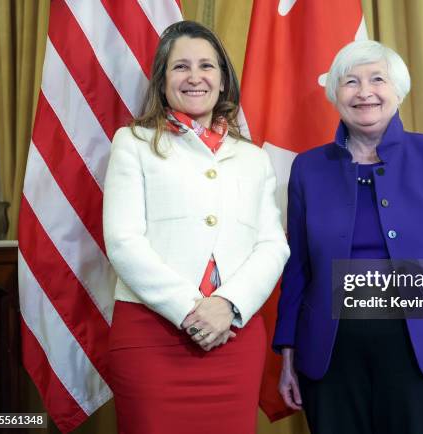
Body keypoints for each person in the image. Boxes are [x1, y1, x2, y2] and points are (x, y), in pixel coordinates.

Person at [273, 40, 423, 434]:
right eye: (350, 82)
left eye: (377, 79)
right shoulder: (308, 169)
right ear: (335, 95)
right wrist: (287, 352)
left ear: (397, 90)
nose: (364, 92)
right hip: (329, 358)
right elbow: (297, 268)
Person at [103, 20, 289, 434]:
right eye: (180, 66)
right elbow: (122, 241)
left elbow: (272, 245)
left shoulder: (253, 158)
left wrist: (227, 306)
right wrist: (191, 310)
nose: (194, 76)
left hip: (234, 334)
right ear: (162, 80)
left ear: (222, 80)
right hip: (152, 334)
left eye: (206, 66)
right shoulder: (132, 143)